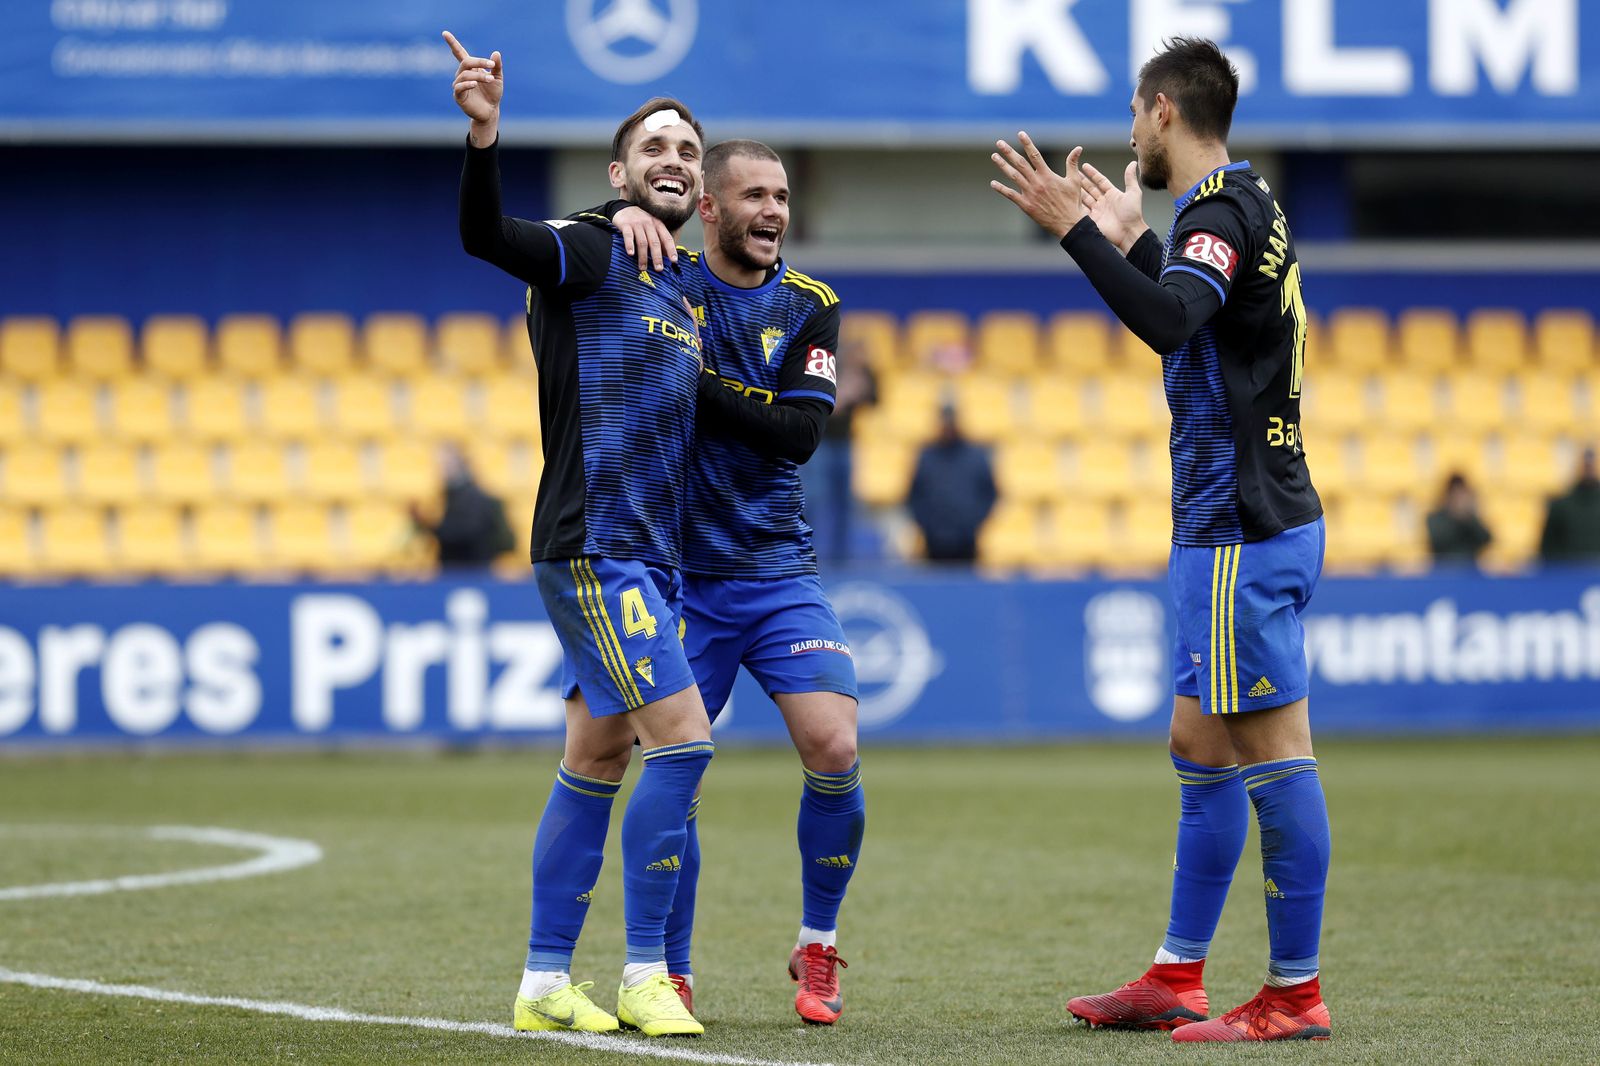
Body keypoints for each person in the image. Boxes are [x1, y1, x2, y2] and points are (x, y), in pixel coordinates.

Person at [991, 37, 1332, 1042]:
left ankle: (1293, 993)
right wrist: (1137, 241)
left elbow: (1171, 323)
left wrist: (1074, 233)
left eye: (1133, 116)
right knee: (1199, 741)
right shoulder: (1237, 208)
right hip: (1230, 524)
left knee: (1274, 755)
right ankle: (1177, 974)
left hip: (1241, 529)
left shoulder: (1220, 211)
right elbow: (1202, 314)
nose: (1130, 134)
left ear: (1159, 113)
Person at [446, 31, 713, 1038]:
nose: (673, 160)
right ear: (618, 172)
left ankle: (544, 979)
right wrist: (484, 138)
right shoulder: (595, 247)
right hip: (594, 545)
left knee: (596, 758)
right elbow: (491, 240)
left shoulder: (679, 289)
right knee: (682, 744)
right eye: (655, 147)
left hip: (651, 554)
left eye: (688, 150)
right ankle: (647, 970)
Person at [589, 140, 864, 1025]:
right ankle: (670, 969)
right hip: (678, 575)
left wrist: (691, 375)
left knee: (835, 745)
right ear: (708, 207)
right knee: (677, 767)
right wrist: (616, 212)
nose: (773, 211)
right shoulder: (667, 282)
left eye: (782, 195)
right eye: (754, 195)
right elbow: (576, 263)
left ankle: (818, 945)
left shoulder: (811, 304)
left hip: (777, 568)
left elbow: (795, 435)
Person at [802, 353, 877, 563]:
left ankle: (841, 559)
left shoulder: (856, 364)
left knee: (845, 501)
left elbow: (874, 399)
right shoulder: (819, 357)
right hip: (819, 442)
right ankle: (810, 555)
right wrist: (841, 395)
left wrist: (861, 387)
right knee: (816, 499)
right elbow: (814, 400)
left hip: (845, 440)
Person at [907, 403, 997, 562]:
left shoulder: (975, 456)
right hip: (933, 541)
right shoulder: (927, 456)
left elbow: (990, 493)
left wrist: (973, 523)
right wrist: (927, 525)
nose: (948, 427)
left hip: (968, 541)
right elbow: (914, 494)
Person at [407, 446, 515, 567]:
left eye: (446, 465)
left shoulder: (472, 497)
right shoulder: (452, 496)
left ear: (459, 465)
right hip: (463, 569)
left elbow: (465, 532)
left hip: (470, 569)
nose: (441, 471)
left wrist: (429, 526)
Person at [1539, 446, 1600, 564]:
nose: (1589, 468)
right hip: (1569, 576)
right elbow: (1547, 548)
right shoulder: (1560, 506)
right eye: (1585, 463)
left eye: (1592, 463)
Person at [1425, 472, 1492, 567]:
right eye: (1455, 493)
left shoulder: (1470, 519)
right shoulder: (1435, 518)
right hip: (1443, 571)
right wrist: (1456, 516)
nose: (1458, 498)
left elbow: (1486, 539)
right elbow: (1437, 541)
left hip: (1470, 571)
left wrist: (1468, 518)